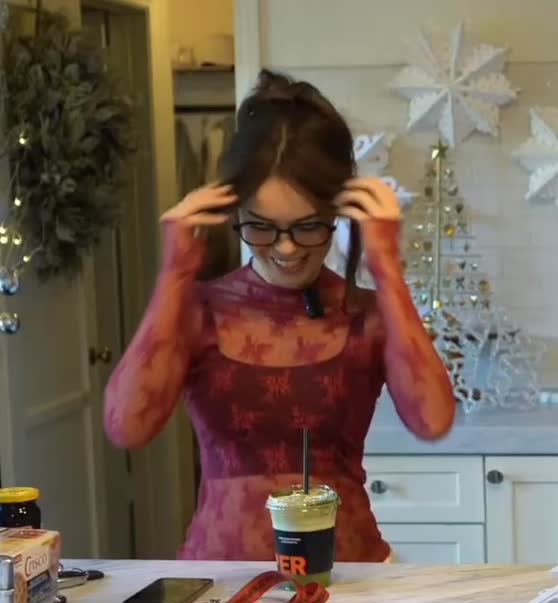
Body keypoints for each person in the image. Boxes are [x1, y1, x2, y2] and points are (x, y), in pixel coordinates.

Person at [103, 69, 455, 562]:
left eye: (309, 226)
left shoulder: (367, 314)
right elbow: (127, 427)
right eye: (261, 227)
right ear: (235, 212)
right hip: (222, 585)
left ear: (338, 213)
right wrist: (174, 273)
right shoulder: (198, 310)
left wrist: (387, 266)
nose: (286, 249)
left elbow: (433, 420)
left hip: (351, 584)